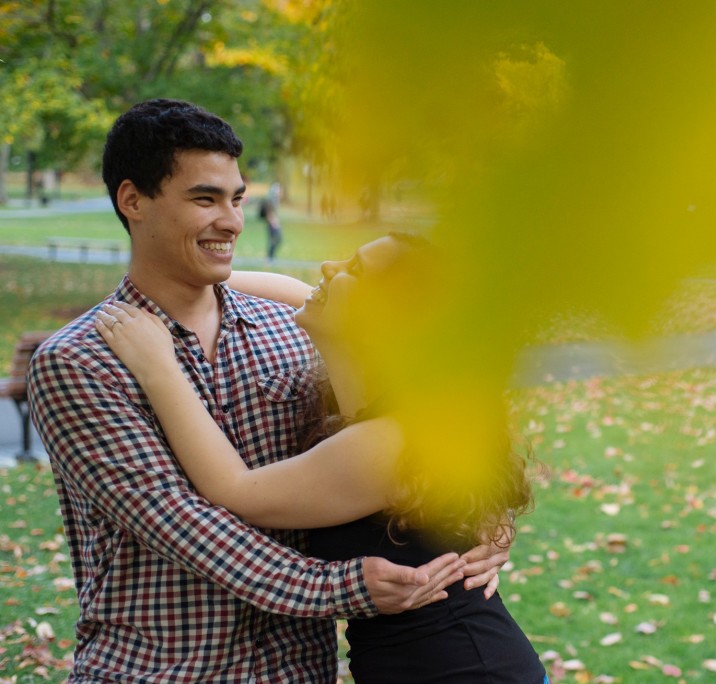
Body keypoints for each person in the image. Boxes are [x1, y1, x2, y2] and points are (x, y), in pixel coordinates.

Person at [26, 99, 505, 682]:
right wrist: (346, 586)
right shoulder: (81, 361)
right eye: (205, 199)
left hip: (297, 670)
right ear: (133, 200)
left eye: (237, 199)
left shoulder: (299, 329)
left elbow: (431, 395)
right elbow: (188, 525)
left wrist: (485, 521)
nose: (232, 221)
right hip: (162, 671)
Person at [95, 232, 548, 683]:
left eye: (355, 270)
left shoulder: (388, 443)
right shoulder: (384, 401)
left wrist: (158, 368)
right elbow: (264, 288)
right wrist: (177, 272)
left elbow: (233, 489)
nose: (329, 268)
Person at [259, 182, 283, 261]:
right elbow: (269, 212)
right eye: (279, 190)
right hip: (272, 224)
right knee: (276, 239)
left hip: (273, 223)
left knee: (274, 239)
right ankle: (270, 257)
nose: (281, 192)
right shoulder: (272, 199)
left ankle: (270, 257)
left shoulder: (275, 199)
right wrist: (274, 223)